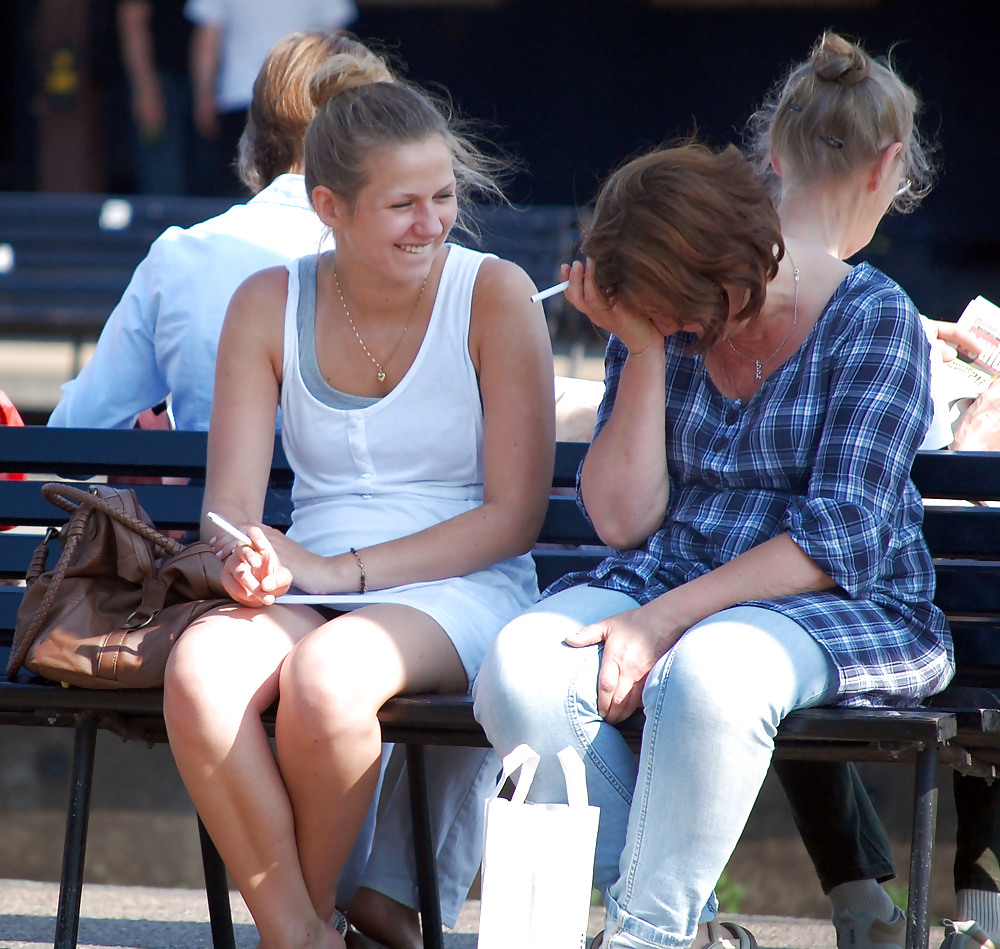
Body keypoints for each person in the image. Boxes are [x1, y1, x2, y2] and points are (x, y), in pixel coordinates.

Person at [471, 140, 953, 949]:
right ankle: (672, 929)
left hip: (835, 599)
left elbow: (841, 540)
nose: (668, 326)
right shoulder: (662, 317)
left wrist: (663, 621)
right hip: (669, 571)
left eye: (675, 314)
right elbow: (624, 521)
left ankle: (645, 935)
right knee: (521, 667)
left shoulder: (873, 319)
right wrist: (648, 346)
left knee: (710, 672)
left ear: (738, 268)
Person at [161, 69, 554, 949]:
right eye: (403, 204)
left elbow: (514, 515)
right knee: (199, 671)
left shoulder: (495, 294)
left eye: (444, 197)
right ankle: (299, 932)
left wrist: (335, 572)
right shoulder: (268, 301)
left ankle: (304, 927)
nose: (432, 223)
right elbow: (229, 509)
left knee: (327, 681)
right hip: (313, 579)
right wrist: (242, 557)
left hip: (463, 580)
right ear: (329, 205)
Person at [743, 31, 1000, 949]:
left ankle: (860, 899)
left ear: (774, 152)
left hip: (752, 605)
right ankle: (983, 907)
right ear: (891, 164)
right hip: (902, 627)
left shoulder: (726, 296)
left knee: (767, 629)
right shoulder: (888, 326)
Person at [48, 31, 381, 433]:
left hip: (208, 493)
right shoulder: (416, 261)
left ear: (253, 136)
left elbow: (78, 430)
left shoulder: (182, 255)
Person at [184, 0, 358, 196]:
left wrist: (203, 97)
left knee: (239, 192)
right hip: (303, 98)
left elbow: (207, 42)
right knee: (306, 186)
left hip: (239, 96)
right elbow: (337, 43)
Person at [116, 0, 196, 195]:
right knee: (164, 177)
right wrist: (145, 90)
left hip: (200, 83)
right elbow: (132, 20)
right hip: (162, 84)